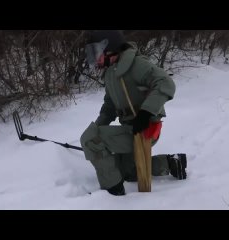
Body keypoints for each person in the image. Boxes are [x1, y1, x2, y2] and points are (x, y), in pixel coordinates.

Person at [80, 30, 187, 196]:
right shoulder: (110, 73)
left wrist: (145, 114)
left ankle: (113, 193)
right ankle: (171, 162)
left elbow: (166, 83)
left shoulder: (136, 64)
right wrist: (96, 131)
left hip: (146, 128)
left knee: (90, 140)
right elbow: (109, 107)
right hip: (130, 128)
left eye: (97, 53)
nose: (95, 59)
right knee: (128, 170)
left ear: (111, 49)